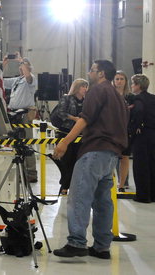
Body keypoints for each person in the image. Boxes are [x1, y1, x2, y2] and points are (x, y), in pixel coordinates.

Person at [53, 60, 128, 260]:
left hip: (94, 151)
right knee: (103, 202)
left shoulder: (97, 90)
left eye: (92, 70)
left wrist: (65, 142)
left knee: (79, 196)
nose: (89, 73)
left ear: (101, 73)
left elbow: (85, 119)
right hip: (111, 155)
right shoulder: (118, 96)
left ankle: (76, 243)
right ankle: (102, 247)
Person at [2, 53, 38, 182]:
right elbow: (1, 80)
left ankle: (31, 173)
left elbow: (28, 76)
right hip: (14, 114)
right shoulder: (17, 80)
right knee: (16, 144)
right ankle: (20, 172)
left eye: (23, 66)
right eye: (20, 66)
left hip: (25, 114)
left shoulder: (31, 80)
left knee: (27, 143)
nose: (21, 68)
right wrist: (3, 65)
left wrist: (22, 61)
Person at [52, 78, 88, 194]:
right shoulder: (67, 98)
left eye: (86, 86)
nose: (85, 89)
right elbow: (60, 113)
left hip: (80, 134)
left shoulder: (87, 101)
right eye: (83, 86)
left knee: (77, 161)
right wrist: (74, 119)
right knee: (66, 161)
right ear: (77, 87)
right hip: (65, 132)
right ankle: (64, 185)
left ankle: (71, 186)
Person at [128, 74, 155, 203]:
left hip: (142, 136)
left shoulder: (138, 99)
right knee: (152, 164)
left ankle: (143, 196)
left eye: (133, 84)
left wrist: (136, 126)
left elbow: (139, 111)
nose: (131, 86)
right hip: (153, 134)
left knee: (141, 166)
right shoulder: (153, 98)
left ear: (138, 85)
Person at [113, 70, 132, 191]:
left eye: (121, 79)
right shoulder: (110, 95)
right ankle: (111, 183)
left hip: (126, 131)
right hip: (112, 130)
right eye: (117, 79)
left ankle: (122, 184)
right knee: (112, 157)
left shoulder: (131, 97)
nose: (119, 81)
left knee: (125, 157)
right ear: (113, 81)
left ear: (126, 81)